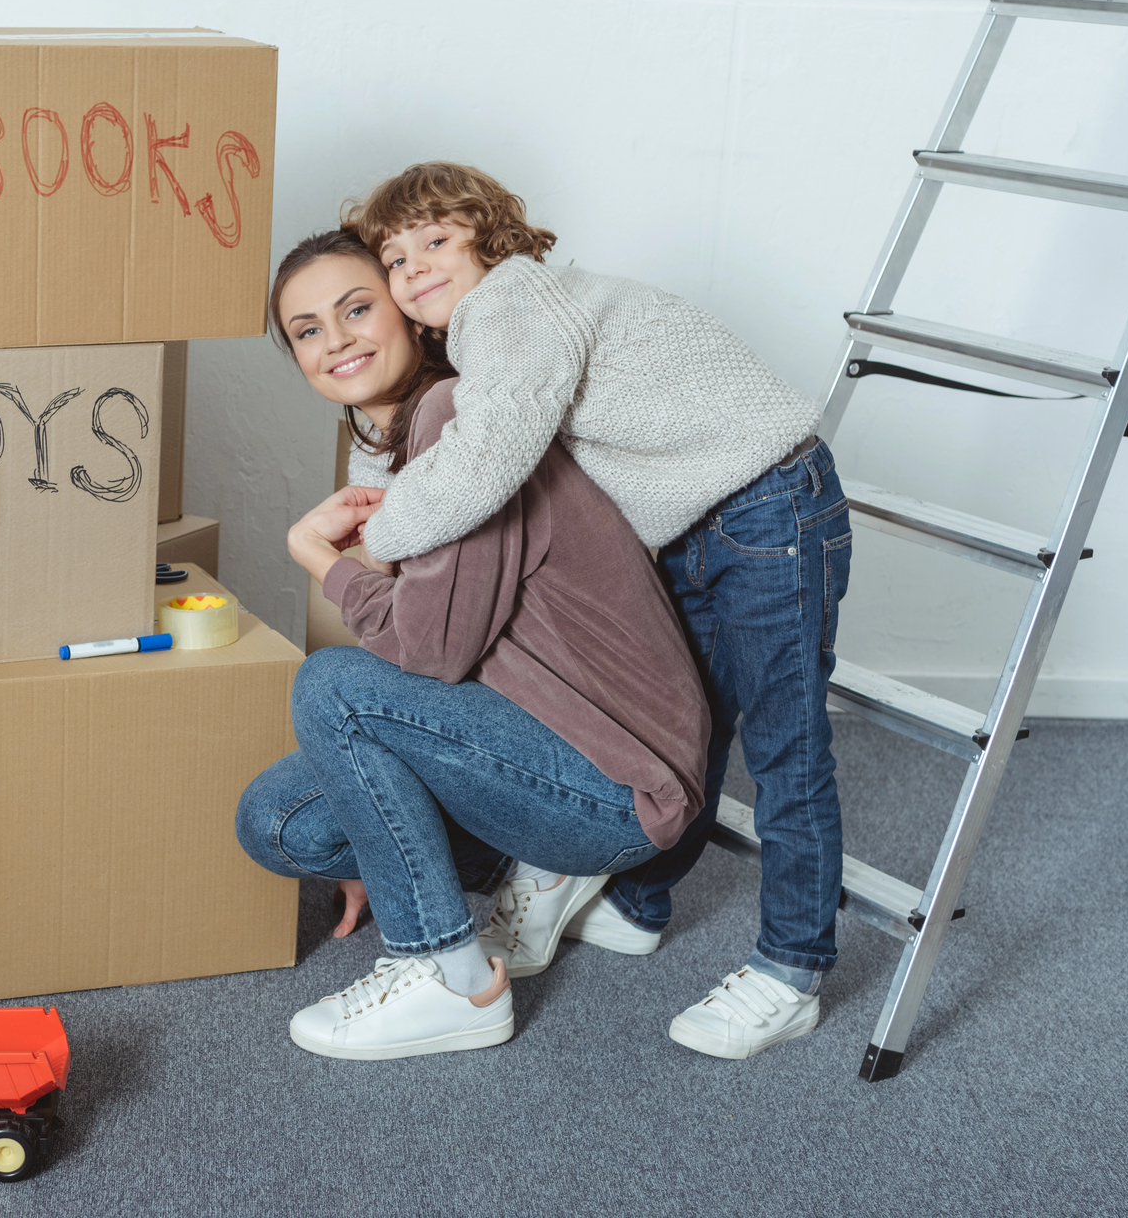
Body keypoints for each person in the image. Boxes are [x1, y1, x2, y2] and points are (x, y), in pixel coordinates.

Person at [341, 162, 851, 1060]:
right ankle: (642, 899)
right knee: (690, 724)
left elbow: (488, 452)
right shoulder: (493, 331)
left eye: (436, 240)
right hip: (702, 524)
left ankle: (791, 968)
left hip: (768, 505)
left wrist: (377, 541)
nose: (414, 265)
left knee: (786, 745)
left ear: (489, 240)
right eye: (394, 255)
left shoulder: (513, 302)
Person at [234, 230, 710, 1060]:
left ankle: (451, 979)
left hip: (615, 775)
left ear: (411, 313)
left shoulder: (462, 419)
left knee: (331, 683)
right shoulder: (395, 449)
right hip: (525, 733)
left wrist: (318, 558)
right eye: (308, 329)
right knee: (278, 822)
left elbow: (433, 651)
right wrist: (371, 820)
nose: (336, 339)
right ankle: (536, 869)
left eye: (356, 308)